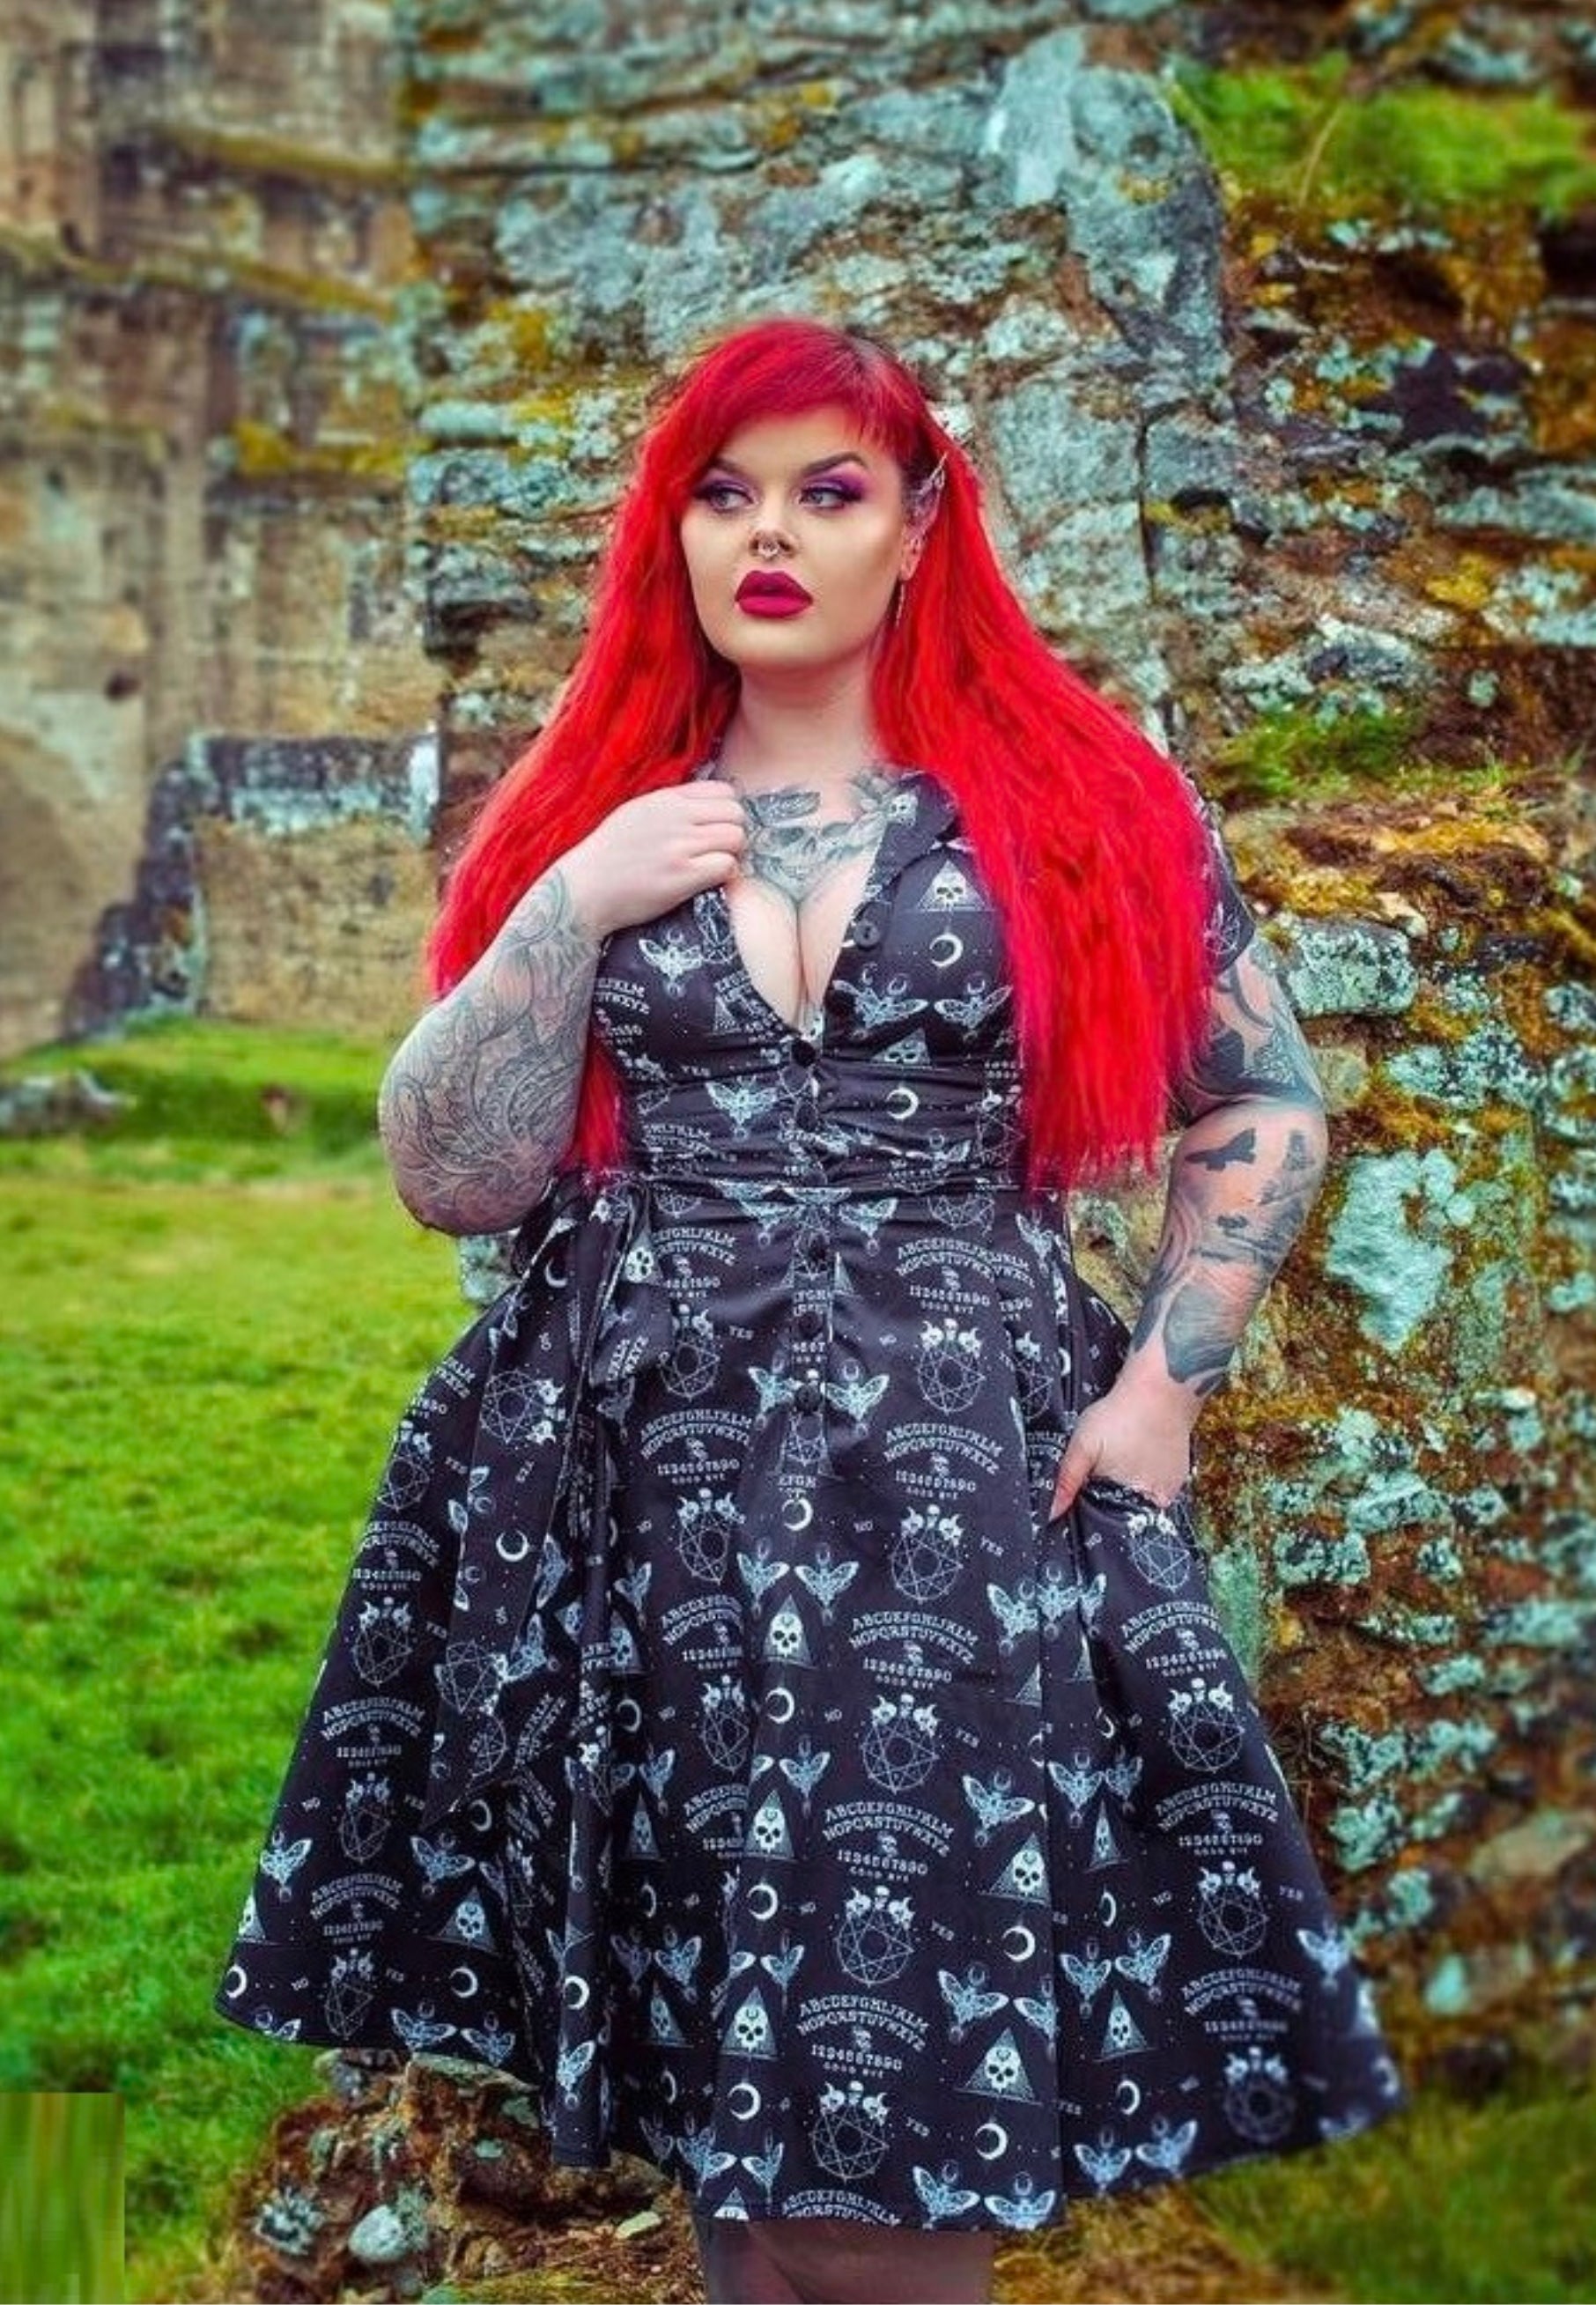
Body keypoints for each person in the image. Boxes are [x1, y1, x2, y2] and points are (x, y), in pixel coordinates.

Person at [213, 315, 1408, 2305]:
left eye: (828, 491)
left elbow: (1265, 1093)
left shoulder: (1072, 801)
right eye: (724, 489)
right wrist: (566, 909)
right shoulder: (596, 806)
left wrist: (1166, 1388)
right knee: (728, 2080)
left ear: (920, 521)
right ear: (672, 532)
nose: (770, 533)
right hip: (637, 1495)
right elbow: (452, 1170)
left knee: (895, 2102)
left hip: (953, 1492)